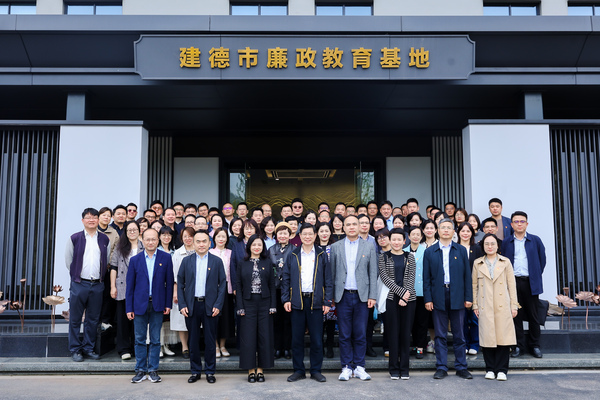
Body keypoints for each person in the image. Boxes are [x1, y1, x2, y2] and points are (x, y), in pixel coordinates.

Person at [283, 223, 333, 383]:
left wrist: (327, 301)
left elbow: (328, 280)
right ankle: (298, 370)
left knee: (317, 339)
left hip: (316, 301)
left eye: (310, 234)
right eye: (304, 234)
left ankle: (316, 370)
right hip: (297, 301)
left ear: (315, 235)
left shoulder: (321, 255)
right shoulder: (293, 254)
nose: (307, 237)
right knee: (297, 339)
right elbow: (286, 278)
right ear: (300, 236)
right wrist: (286, 299)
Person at [423, 218, 473, 380]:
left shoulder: (460, 250)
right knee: (440, 334)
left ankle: (461, 367)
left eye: (448, 228)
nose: (445, 230)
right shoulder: (430, 251)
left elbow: (467, 276)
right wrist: (428, 299)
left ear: (453, 232)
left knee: (459, 334)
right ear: (438, 230)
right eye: (443, 227)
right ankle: (441, 367)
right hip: (438, 295)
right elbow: (426, 279)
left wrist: (468, 297)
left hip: (457, 294)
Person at [330, 214, 378, 381]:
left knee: (360, 333)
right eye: (348, 224)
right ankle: (346, 367)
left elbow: (373, 272)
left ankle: (359, 366)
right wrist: (331, 296)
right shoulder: (335, 247)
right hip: (342, 295)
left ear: (359, 227)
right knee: (344, 334)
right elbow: (332, 273)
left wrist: (373, 295)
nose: (351, 227)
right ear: (343, 227)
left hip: (362, 296)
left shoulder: (369, 246)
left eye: (354, 224)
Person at [177, 230, 226, 384]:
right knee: (193, 341)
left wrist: (218, 305)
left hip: (210, 306)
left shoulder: (216, 261)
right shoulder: (187, 261)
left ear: (209, 243)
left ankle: (210, 372)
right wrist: (182, 304)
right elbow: (180, 283)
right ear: (193, 243)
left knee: (210, 341)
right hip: (191, 305)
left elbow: (222, 284)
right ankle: (195, 371)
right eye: (198, 241)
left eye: (204, 241)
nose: (201, 244)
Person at [126, 228, 174, 383]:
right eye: (147, 239)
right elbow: (130, 286)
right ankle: (140, 370)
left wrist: (168, 304)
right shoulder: (135, 260)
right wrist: (129, 308)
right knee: (139, 339)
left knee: (155, 339)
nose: (151, 242)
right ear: (143, 240)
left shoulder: (166, 258)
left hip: (158, 304)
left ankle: (153, 370)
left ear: (158, 240)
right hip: (139, 305)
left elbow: (169, 284)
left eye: (153, 239)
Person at [65, 207, 110, 362]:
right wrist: (76, 277)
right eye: (88, 217)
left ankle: (88, 348)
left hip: (97, 285)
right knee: (75, 319)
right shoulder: (75, 238)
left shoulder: (104, 239)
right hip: (79, 283)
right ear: (83, 220)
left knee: (93, 319)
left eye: (94, 217)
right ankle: (75, 349)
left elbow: (106, 259)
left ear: (98, 220)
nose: (91, 220)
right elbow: (69, 261)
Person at [473, 233, 519, 381]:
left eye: (493, 243)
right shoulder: (478, 263)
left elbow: (512, 285)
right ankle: (490, 369)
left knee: (503, 338)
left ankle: (502, 370)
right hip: (485, 304)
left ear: (498, 246)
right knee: (487, 338)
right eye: (487, 244)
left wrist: (514, 305)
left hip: (502, 305)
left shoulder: (505, 262)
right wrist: (475, 305)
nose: (490, 246)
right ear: (483, 246)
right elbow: (474, 286)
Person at [501, 211, 546, 359]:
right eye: (516, 221)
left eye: (522, 221)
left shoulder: (535, 240)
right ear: (511, 224)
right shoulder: (506, 242)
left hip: (530, 282)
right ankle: (518, 346)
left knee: (534, 316)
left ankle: (535, 346)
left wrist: (534, 275)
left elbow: (542, 260)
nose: (519, 224)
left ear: (527, 224)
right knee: (516, 316)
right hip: (513, 283)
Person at [236, 235, 277, 383]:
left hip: (265, 303)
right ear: (249, 247)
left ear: (263, 247)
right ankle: (250, 370)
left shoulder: (267, 262)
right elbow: (238, 286)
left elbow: (272, 285)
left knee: (264, 336)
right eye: (254, 245)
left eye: (259, 245)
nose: (256, 247)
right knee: (248, 338)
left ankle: (260, 370)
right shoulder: (242, 263)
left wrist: (273, 305)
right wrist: (240, 307)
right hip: (248, 303)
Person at [378, 228, 416, 380]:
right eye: (393, 239)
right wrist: (401, 293)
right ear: (389, 240)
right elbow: (385, 278)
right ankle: (393, 368)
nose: (396, 242)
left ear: (404, 241)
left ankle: (404, 369)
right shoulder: (384, 257)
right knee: (393, 334)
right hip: (391, 299)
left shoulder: (409, 256)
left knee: (405, 334)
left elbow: (411, 277)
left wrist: (405, 296)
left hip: (409, 299)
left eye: (399, 239)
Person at [110, 220, 144, 360]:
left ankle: (137, 347)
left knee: (139, 320)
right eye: (129, 230)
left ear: (139, 231)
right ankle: (124, 349)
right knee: (123, 320)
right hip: (123, 287)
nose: (132, 232)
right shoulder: (120, 248)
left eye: (134, 229)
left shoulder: (144, 246)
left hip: (140, 288)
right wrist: (113, 286)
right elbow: (113, 267)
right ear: (125, 232)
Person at [457, 222, 484, 356]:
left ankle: (474, 344)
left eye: (468, 231)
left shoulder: (477, 248)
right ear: (458, 233)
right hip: (458, 288)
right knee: (461, 319)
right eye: (463, 231)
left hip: (474, 287)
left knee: (474, 317)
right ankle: (464, 344)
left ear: (472, 233)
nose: (465, 233)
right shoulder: (454, 248)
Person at [209, 227, 236, 359]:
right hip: (212, 290)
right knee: (213, 317)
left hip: (227, 289)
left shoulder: (231, 253)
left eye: (223, 236)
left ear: (227, 239)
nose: (221, 239)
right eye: (218, 236)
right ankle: (215, 345)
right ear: (214, 238)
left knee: (226, 318)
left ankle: (223, 345)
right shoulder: (210, 252)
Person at [268, 222, 294, 360]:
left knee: (288, 320)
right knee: (276, 320)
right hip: (275, 289)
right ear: (276, 235)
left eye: (285, 233)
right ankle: (277, 348)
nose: (282, 235)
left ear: (289, 235)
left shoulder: (295, 249)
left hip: (290, 289)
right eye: (280, 233)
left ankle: (287, 348)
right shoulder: (271, 250)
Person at [171, 227, 196, 359]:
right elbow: (175, 275)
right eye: (185, 236)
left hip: (197, 290)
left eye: (190, 236)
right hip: (182, 289)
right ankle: (184, 347)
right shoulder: (177, 253)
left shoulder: (200, 250)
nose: (188, 239)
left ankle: (193, 345)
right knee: (181, 319)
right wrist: (175, 292)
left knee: (195, 319)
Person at [404, 226, 428, 360]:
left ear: (421, 236)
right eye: (413, 234)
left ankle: (420, 347)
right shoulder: (403, 251)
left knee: (421, 321)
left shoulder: (426, 251)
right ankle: (411, 345)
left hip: (421, 291)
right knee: (409, 321)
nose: (415, 237)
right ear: (408, 236)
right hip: (407, 291)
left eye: (418, 234)